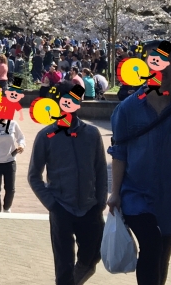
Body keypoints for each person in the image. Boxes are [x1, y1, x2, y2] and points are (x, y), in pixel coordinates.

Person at [28, 88, 108, 285]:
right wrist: (52, 205)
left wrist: (100, 202)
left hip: (90, 207)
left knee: (93, 254)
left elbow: (100, 169)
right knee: (63, 265)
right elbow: (34, 176)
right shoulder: (45, 136)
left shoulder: (92, 133)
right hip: (61, 207)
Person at [108, 63, 171, 285]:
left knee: (163, 250)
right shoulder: (128, 109)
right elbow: (119, 152)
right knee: (152, 244)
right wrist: (115, 192)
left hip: (168, 195)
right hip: (136, 193)